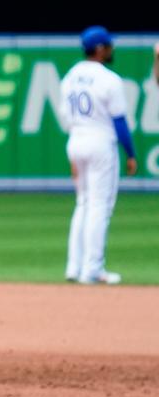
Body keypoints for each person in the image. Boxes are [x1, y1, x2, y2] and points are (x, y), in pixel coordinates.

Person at [60, 27, 137, 285]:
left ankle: (74, 266)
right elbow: (120, 122)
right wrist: (131, 154)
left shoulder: (70, 77)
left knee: (83, 203)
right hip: (100, 142)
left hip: (76, 140)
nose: (111, 49)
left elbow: (65, 120)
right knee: (99, 206)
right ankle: (92, 268)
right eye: (109, 46)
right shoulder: (109, 79)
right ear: (101, 48)